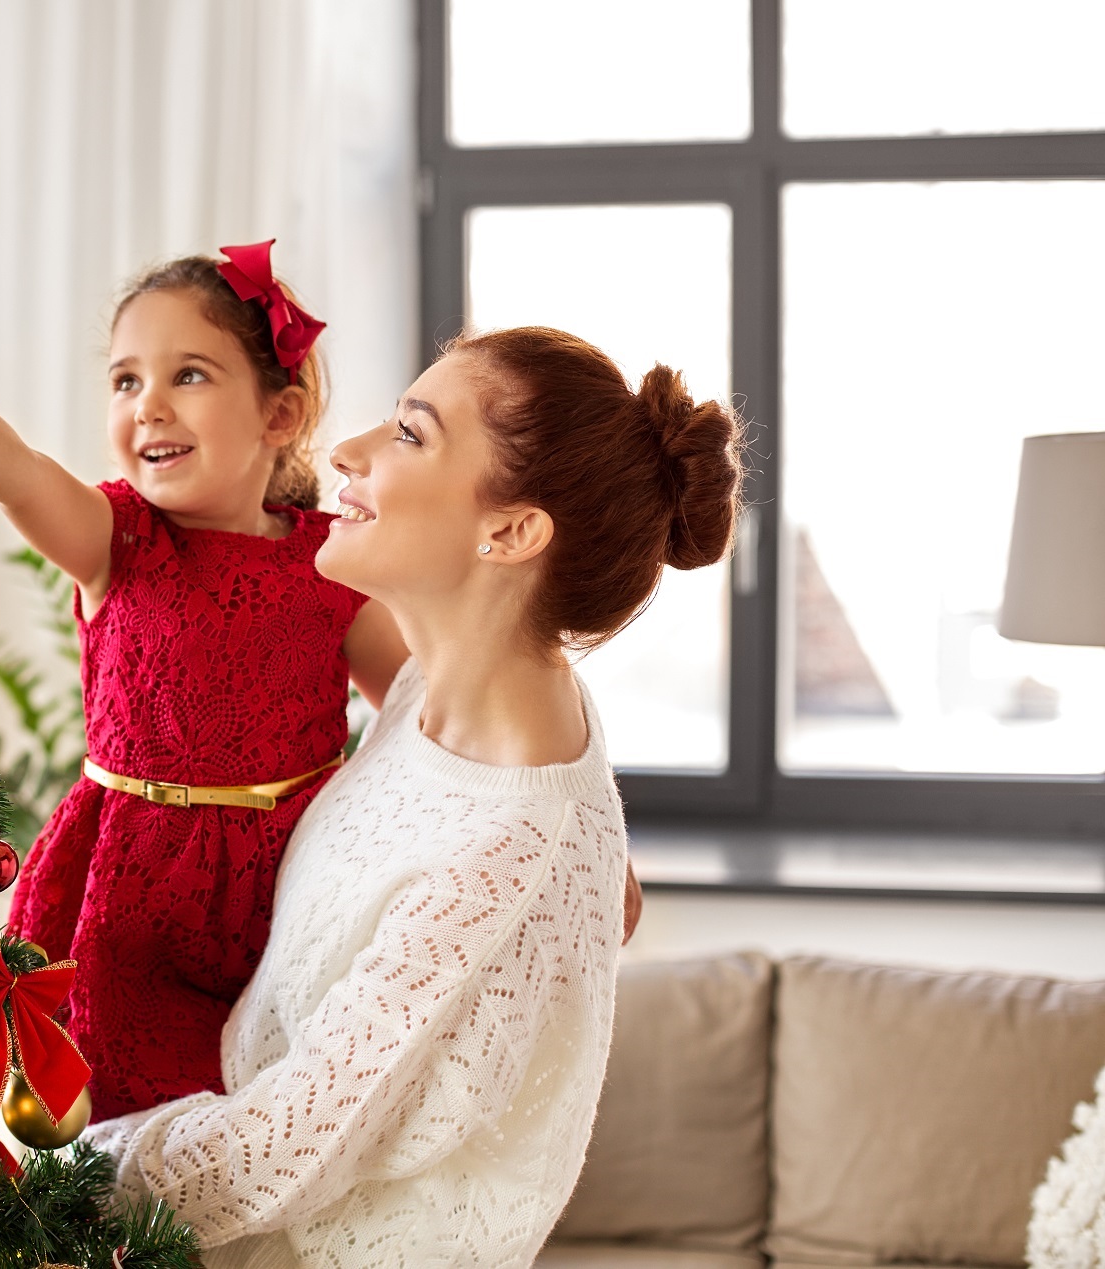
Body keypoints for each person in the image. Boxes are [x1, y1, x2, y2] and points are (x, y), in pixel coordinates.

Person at [83, 326, 744, 1269]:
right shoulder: (443, 687)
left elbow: (273, 1150)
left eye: (409, 434)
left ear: (511, 531)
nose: (346, 454)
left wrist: (37, 1172)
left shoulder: (504, 848)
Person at [0, 243, 411, 1121]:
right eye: (125, 381)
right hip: (125, 900)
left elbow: (428, 719)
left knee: (263, 1121)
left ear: (279, 413)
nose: (150, 407)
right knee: (113, 1133)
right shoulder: (116, 538)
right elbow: (9, 466)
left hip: (289, 893)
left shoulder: (334, 564)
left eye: (192, 375)